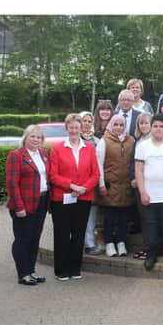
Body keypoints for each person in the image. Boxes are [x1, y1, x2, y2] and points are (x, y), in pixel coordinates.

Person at [49, 113, 100, 281]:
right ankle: (61, 270)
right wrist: (72, 186)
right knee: (62, 234)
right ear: (67, 128)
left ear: (82, 128)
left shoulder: (90, 148)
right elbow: (53, 175)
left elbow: (95, 174)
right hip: (62, 197)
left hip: (83, 197)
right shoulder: (57, 148)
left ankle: (75, 268)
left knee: (78, 234)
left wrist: (83, 188)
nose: (74, 130)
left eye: (76, 127)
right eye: (71, 127)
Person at [134, 114, 163, 271]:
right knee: (150, 228)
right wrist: (142, 192)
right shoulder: (142, 146)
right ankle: (150, 256)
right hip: (149, 196)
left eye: (161, 126)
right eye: (155, 126)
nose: (158, 129)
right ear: (151, 128)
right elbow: (138, 171)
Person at [6, 125, 50, 286]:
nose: (36, 140)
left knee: (34, 238)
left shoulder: (44, 154)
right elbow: (12, 183)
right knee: (22, 239)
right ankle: (23, 274)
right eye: (33, 136)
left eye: (39, 137)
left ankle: (31, 271)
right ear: (25, 137)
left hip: (42, 202)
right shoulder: (16, 155)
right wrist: (19, 207)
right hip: (24, 204)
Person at [96, 114, 135, 257]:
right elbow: (98, 165)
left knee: (123, 217)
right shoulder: (104, 141)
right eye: (116, 124)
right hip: (109, 185)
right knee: (109, 217)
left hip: (125, 187)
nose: (118, 127)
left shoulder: (131, 141)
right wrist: (101, 184)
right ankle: (109, 243)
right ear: (111, 125)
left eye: (121, 125)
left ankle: (121, 242)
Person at [130, 112, 153, 260]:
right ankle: (146, 247)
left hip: (150, 185)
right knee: (144, 218)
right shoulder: (137, 140)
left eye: (146, 123)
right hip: (138, 186)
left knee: (151, 218)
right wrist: (133, 178)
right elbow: (133, 163)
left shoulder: (154, 140)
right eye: (141, 123)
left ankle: (151, 249)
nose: (144, 126)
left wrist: (139, 179)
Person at [80, 111, 101, 255]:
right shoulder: (74, 138)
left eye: (89, 121)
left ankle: (89, 243)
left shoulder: (97, 141)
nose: (87, 123)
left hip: (91, 183)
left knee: (91, 216)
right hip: (75, 184)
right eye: (84, 121)